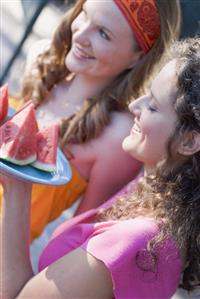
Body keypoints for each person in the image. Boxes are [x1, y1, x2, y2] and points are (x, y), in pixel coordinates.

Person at [1, 37, 200, 299]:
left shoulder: (136, 243)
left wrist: (17, 186)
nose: (134, 106)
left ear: (189, 141)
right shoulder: (152, 192)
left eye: (152, 105)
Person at [0, 0, 181, 241]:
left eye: (103, 33)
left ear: (137, 58)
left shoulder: (118, 136)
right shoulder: (41, 59)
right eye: (84, 15)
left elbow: (75, 239)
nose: (81, 35)